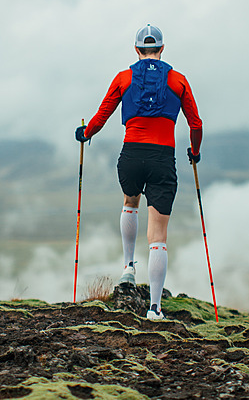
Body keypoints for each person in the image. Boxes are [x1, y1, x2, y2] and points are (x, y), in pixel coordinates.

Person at [75, 24, 202, 320]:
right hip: (162, 158)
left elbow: (103, 114)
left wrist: (85, 132)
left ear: (136, 50)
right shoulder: (178, 80)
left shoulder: (123, 78)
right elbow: (196, 124)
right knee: (158, 236)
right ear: (162, 49)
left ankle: (128, 267)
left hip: (130, 155)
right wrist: (194, 153)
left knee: (130, 202)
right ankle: (155, 309)